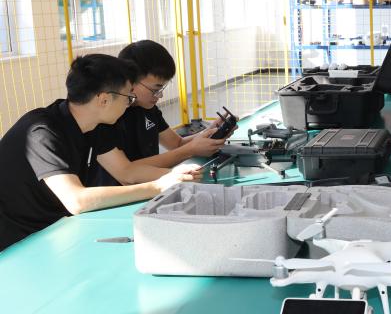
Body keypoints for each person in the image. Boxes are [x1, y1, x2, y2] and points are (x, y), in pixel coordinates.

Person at [0, 54, 196, 252]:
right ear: (103, 100)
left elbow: (126, 172)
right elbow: (76, 200)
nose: (129, 104)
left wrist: (177, 176)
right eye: (128, 98)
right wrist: (157, 186)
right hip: (14, 241)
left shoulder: (95, 125)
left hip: (50, 228)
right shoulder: (41, 131)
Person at [89, 40, 224, 187]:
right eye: (155, 89)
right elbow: (127, 173)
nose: (160, 95)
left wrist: (210, 133)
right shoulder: (108, 118)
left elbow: (176, 144)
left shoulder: (148, 108)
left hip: (151, 186)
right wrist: (190, 151)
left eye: (162, 89)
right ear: (130, 81)